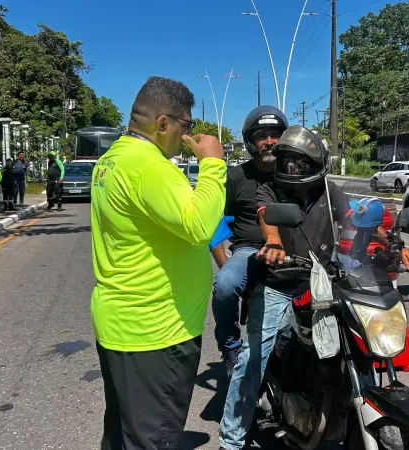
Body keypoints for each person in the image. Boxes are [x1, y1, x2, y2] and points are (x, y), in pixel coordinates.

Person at [90, 76, 226, 450]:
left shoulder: (112, 159)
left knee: (123, 434)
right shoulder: (149, 166)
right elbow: (199, 225)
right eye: (186, 125)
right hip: (156, 333)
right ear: (163, 123)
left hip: (124, 326)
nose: (188, 135)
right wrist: (213, 164)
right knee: (153, 440)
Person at [218, 126, 351, 450]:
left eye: (300, 162)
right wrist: (274, 241)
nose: (294, 168)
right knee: (253, 356)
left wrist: (383, 242)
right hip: (279, 283)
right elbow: (267, 217)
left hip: (323, 282)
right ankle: (231, 441)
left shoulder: (329, 191)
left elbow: (352, 220)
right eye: (288, 161)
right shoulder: (270, 188)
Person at [209, 105, 288, 376]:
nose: (269, 141)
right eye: (262, 136)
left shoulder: (294, 173)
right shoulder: (235, 177)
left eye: (275, 135)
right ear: (251, 142)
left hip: (294, 248)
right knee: (225, 286)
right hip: (249, 251)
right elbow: (215, 222)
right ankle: (230, 347)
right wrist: (225, 264)